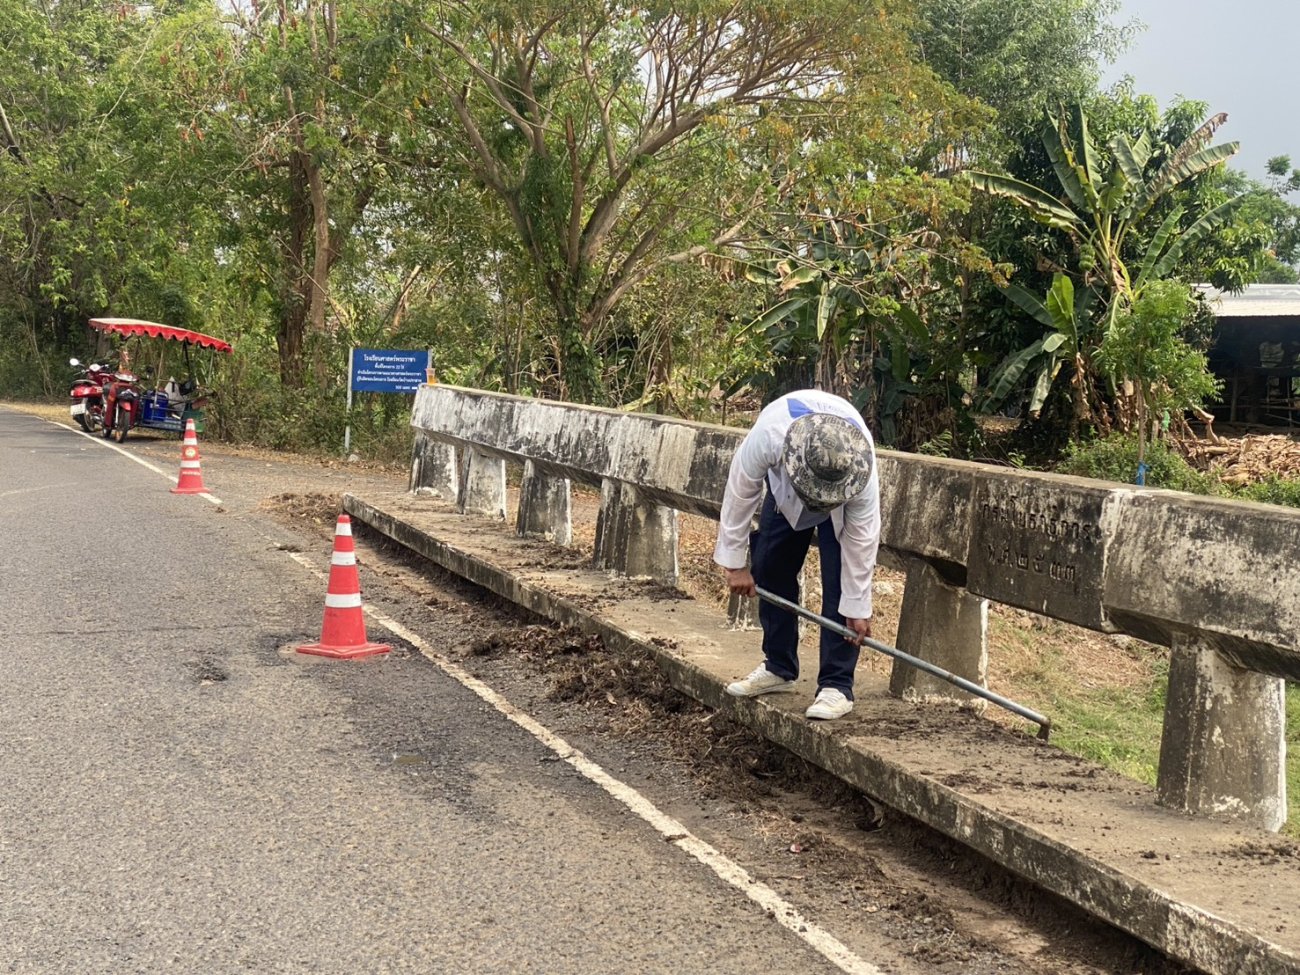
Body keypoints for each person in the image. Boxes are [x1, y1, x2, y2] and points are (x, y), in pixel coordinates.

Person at [713, 389, 881, 720]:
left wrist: (858, 607)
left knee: (840, 587)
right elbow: (740, 495)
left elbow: (861, 542)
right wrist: (735, 565)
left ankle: (836, 685)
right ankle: (779, 667)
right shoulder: (769, 437)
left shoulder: (861, 471)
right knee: (769, 565)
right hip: (785, 490)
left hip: (840, 502)